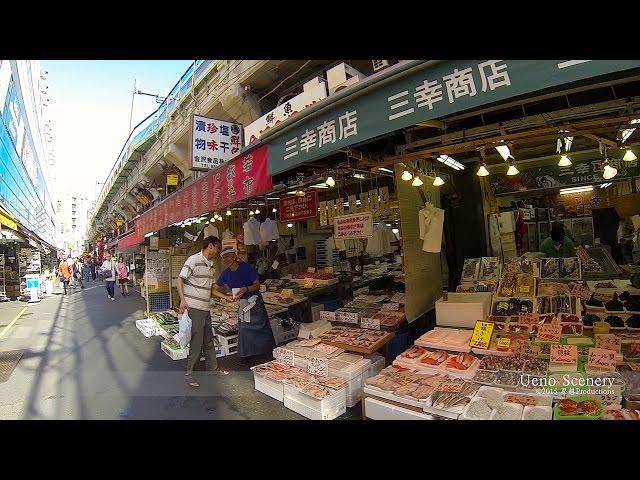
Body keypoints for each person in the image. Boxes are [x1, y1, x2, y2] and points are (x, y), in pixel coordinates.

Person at [177, 236, 229, 387]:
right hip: (194, 308)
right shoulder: (193, 260)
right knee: (197, 342)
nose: (218, 252)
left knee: (208, 340)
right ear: (210, 246)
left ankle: (212, 368)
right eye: (217, 248)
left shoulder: (211, 265)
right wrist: (182, 299)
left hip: (205, 308)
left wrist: (225, 297)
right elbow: (180, 279)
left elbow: (211, 289)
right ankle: (189, 374)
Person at [213, 246, 276, 365]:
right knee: (244, 329)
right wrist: (226, 297)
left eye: (229, 256)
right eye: (224, 257)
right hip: (243, 304)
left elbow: (257, 285)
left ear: (235, 256)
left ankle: (267, 350)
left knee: (262, 327)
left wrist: (246, 289)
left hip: (255, 301)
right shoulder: (225, 274)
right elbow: (214, 289)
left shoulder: (246, 268)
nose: (227, 259)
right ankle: (246, 354)